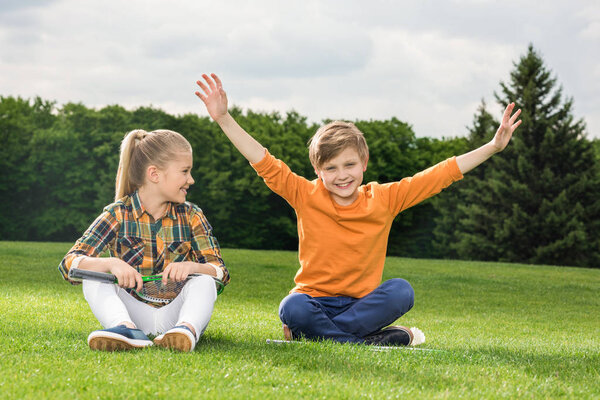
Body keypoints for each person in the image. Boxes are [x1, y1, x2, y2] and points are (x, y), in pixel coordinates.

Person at [195, 73, 521, 346]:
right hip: (313, 301)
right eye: (331, 168)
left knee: (401, 291)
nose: (342, 175)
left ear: (363, 163)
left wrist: (493, 146)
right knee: (291, 307)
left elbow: (439, 175)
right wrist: (224, 117)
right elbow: (263, 162)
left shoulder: (384, 198)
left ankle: (321, 336)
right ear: (318, 171)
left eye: (349, 164)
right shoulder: (306, 194)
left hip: (363, 304)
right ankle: (371, 340)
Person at [58, 129, 229, 352]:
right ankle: (124, 329)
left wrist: (192, 267)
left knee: (204, 281)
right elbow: (68, 264)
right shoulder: (117, 214)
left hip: (175, 315)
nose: (191, 180)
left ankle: (186, 331)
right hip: (133, 314)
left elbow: (220, 272)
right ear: (154, 174)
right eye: (185, 172)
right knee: (95, 276)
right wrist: (112, 264)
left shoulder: (192, 216)